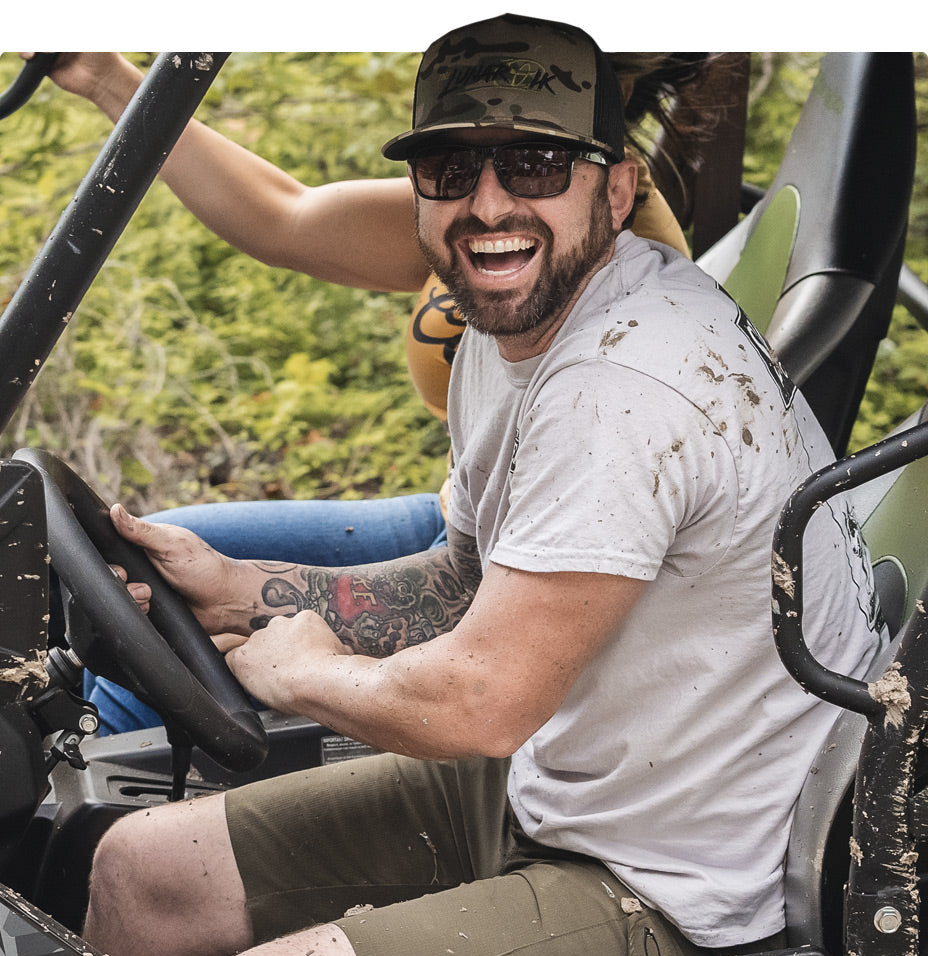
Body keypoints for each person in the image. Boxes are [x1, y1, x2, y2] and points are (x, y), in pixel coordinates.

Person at [82, 13, 884, 956]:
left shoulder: (623, 388)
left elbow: (478, 701)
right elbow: (463, 577)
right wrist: (245, 588)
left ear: (617, 186)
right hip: (570, 782)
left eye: (536, 162)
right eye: (452, 167)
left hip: (681, 883)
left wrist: (302, 675)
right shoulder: (510, 332)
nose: (490, 203)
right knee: (137, 875)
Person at [40, 47, 705, 734]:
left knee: (146, 667)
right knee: (150, 578)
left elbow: (501, 668)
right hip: (460, 526)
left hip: (532, 560)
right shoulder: (486, 195)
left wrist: (300, 658)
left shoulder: (604, 254)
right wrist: (107, 79)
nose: (485, 194)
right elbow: (283, 216)